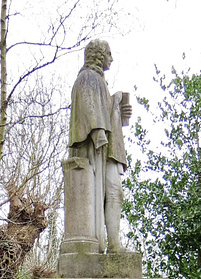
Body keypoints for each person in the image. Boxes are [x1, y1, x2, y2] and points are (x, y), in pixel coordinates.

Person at [68, 39, 132, 253]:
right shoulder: (87, 78)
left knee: (115, 192)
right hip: (96, 148)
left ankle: (114, 244)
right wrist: (98, 131)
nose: (111, 59)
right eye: (109, 54)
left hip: (107, 150)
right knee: (106, 193)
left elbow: (101, 108)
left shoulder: (98, 81)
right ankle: (108, 244)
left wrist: (119, 107)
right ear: (99, 55)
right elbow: (88, 106)